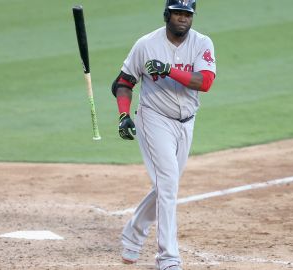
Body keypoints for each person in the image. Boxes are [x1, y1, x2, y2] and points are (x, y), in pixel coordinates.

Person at [110, 0, 216, 269]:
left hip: (187, 122)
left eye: (187, 14)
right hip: (154, 119)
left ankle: (133, 234)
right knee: (168, 185)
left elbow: (205, 82)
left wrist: (169, 70)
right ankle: (168, 258)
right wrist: (124, 115)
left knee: (166, 186)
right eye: (178, 13)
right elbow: (123, 82)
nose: (183, 18)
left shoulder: (202, 43)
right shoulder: (146, 44)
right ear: (167, 14)